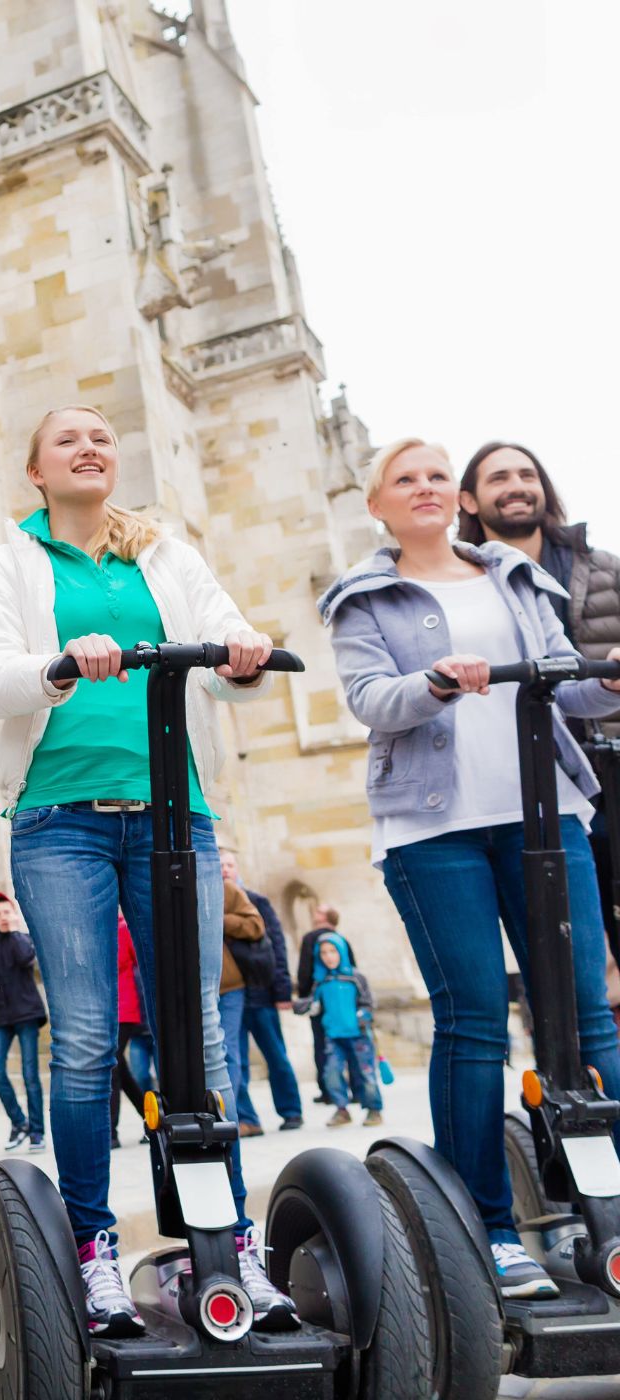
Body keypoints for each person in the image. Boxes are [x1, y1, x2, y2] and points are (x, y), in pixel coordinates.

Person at [0, 403, 300, 1337]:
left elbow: (236, 642)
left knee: (197, 1029)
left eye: (103, 437)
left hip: (173, 817)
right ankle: (92, 1245)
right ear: (35, 470)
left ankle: (224, 1243)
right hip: (59, 821)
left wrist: (242, 656)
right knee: (80, 1039)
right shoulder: (10, 564)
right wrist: (61, 665)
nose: (90, 446)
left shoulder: (166, 556)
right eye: (67, 437)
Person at [318, 435, 620, 1300]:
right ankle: (485, 1231)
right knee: (477, 1019)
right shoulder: (364, 597)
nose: (425, 489)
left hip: (546, 812)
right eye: (404, 479)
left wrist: (611, 682)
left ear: (461, 499)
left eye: (437, 478)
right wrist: (438, 684)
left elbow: (563, 684)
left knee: (587, 1014)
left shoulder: (517, 579)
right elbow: (372, 700)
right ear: (376, 505)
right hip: (433, 828)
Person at [458, 440, 620, 952]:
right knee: (562, 943)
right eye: (499, 478)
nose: (516, 487)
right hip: (530, 775)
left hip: (612, 762)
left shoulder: (604, 569)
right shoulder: (466, 587)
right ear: (469, 500)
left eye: (526, 475)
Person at [220, 850, 303, 1135]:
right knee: (234, 1057)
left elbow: (276, 947)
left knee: (275, 1055)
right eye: (220, 865)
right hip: (231, 993)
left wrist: (282, 990)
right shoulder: (210, 898)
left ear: (237, 867)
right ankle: (247, 1118)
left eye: (229, 865)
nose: (225, 870)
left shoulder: (255, 900)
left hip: (261, 992)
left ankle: (291, 1111)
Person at [0, 891, 46, 1151]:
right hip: (1, 1017)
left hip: (27, 1014)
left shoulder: (25, 941)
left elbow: (25, 959)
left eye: (7, 912)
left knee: (30, 1074)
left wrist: (16, 931)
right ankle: (19, 1122)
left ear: (14, 913)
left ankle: (37, 1132)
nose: (3, 917)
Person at [296, 933, 382, 1128]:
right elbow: (314, 1004)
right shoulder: (321, 982)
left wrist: (361, 1018)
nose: (329, 956)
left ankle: (374, 1110)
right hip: (333, 1037)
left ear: (341, 952)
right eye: (324, 952)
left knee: (366, 1073)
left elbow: (369, 1003)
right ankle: (342, 1110)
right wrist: (301, 1006)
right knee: (332, 1073)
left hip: (358, 1035)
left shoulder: (356, 977)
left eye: (333, 951)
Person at [218, 872, 266, 1142]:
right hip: (189, 985)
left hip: (229, 986)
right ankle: (246, 1118)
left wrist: (219, 919)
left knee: (227, 1052)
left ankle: (226, 1118)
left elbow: (256, 925)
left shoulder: (225, 888)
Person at [296, 905, 355, 1106]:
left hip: (320, 1003)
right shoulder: (342, 939)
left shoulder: (311, 938)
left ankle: (329, 1091)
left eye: (318, 912)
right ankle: (356, 1089)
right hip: (346, 1004)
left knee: (323, 1047)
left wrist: (305, 997)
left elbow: (304, 971)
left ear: (325, 917)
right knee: (351, 1044)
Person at [111, 915, 155, 1148]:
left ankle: (110, 1132)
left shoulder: (123, 928)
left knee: (112, 1067)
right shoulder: (95, 928)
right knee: (122, 1072)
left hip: (126, 1008)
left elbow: (143, 967)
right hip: (106, 1011)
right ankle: (153, 1121)